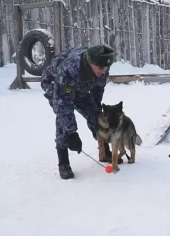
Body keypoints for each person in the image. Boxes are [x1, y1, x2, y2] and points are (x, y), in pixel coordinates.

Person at [41, 44, 117, 180]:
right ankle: (63, 162)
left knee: (96, 116)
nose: (104, 70)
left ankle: (104, 151)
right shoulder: (70, 70)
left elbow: (98, 89)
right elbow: (64, 105)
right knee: (63, 122)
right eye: (100, 68)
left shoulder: (102, 64)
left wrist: (96, 113)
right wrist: (72, 133)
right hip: (54, 84)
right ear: (91, 63)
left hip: (79, 86)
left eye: (106, 68)